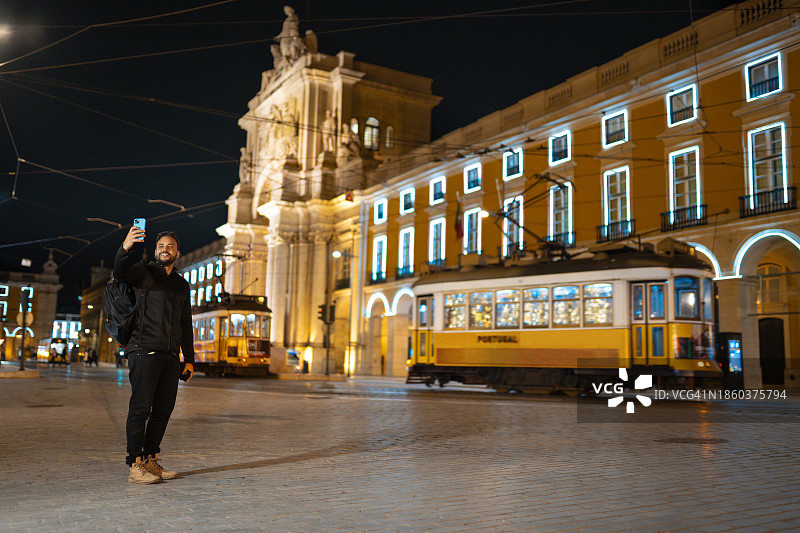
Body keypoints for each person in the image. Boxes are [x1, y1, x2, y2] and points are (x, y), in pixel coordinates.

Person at [114, 226, 195, 484]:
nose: (164, 250)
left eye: (169, 246)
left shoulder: (181, 285)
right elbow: (120, 272)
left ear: (177, 252)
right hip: (143, 350)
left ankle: (151, 459)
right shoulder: (144, 273)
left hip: (170, 356)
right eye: (161, 246)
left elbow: (185, 323)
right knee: (140, 408)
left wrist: (189, 359)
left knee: (163, 410)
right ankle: (134, 463)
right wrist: (125, 247)